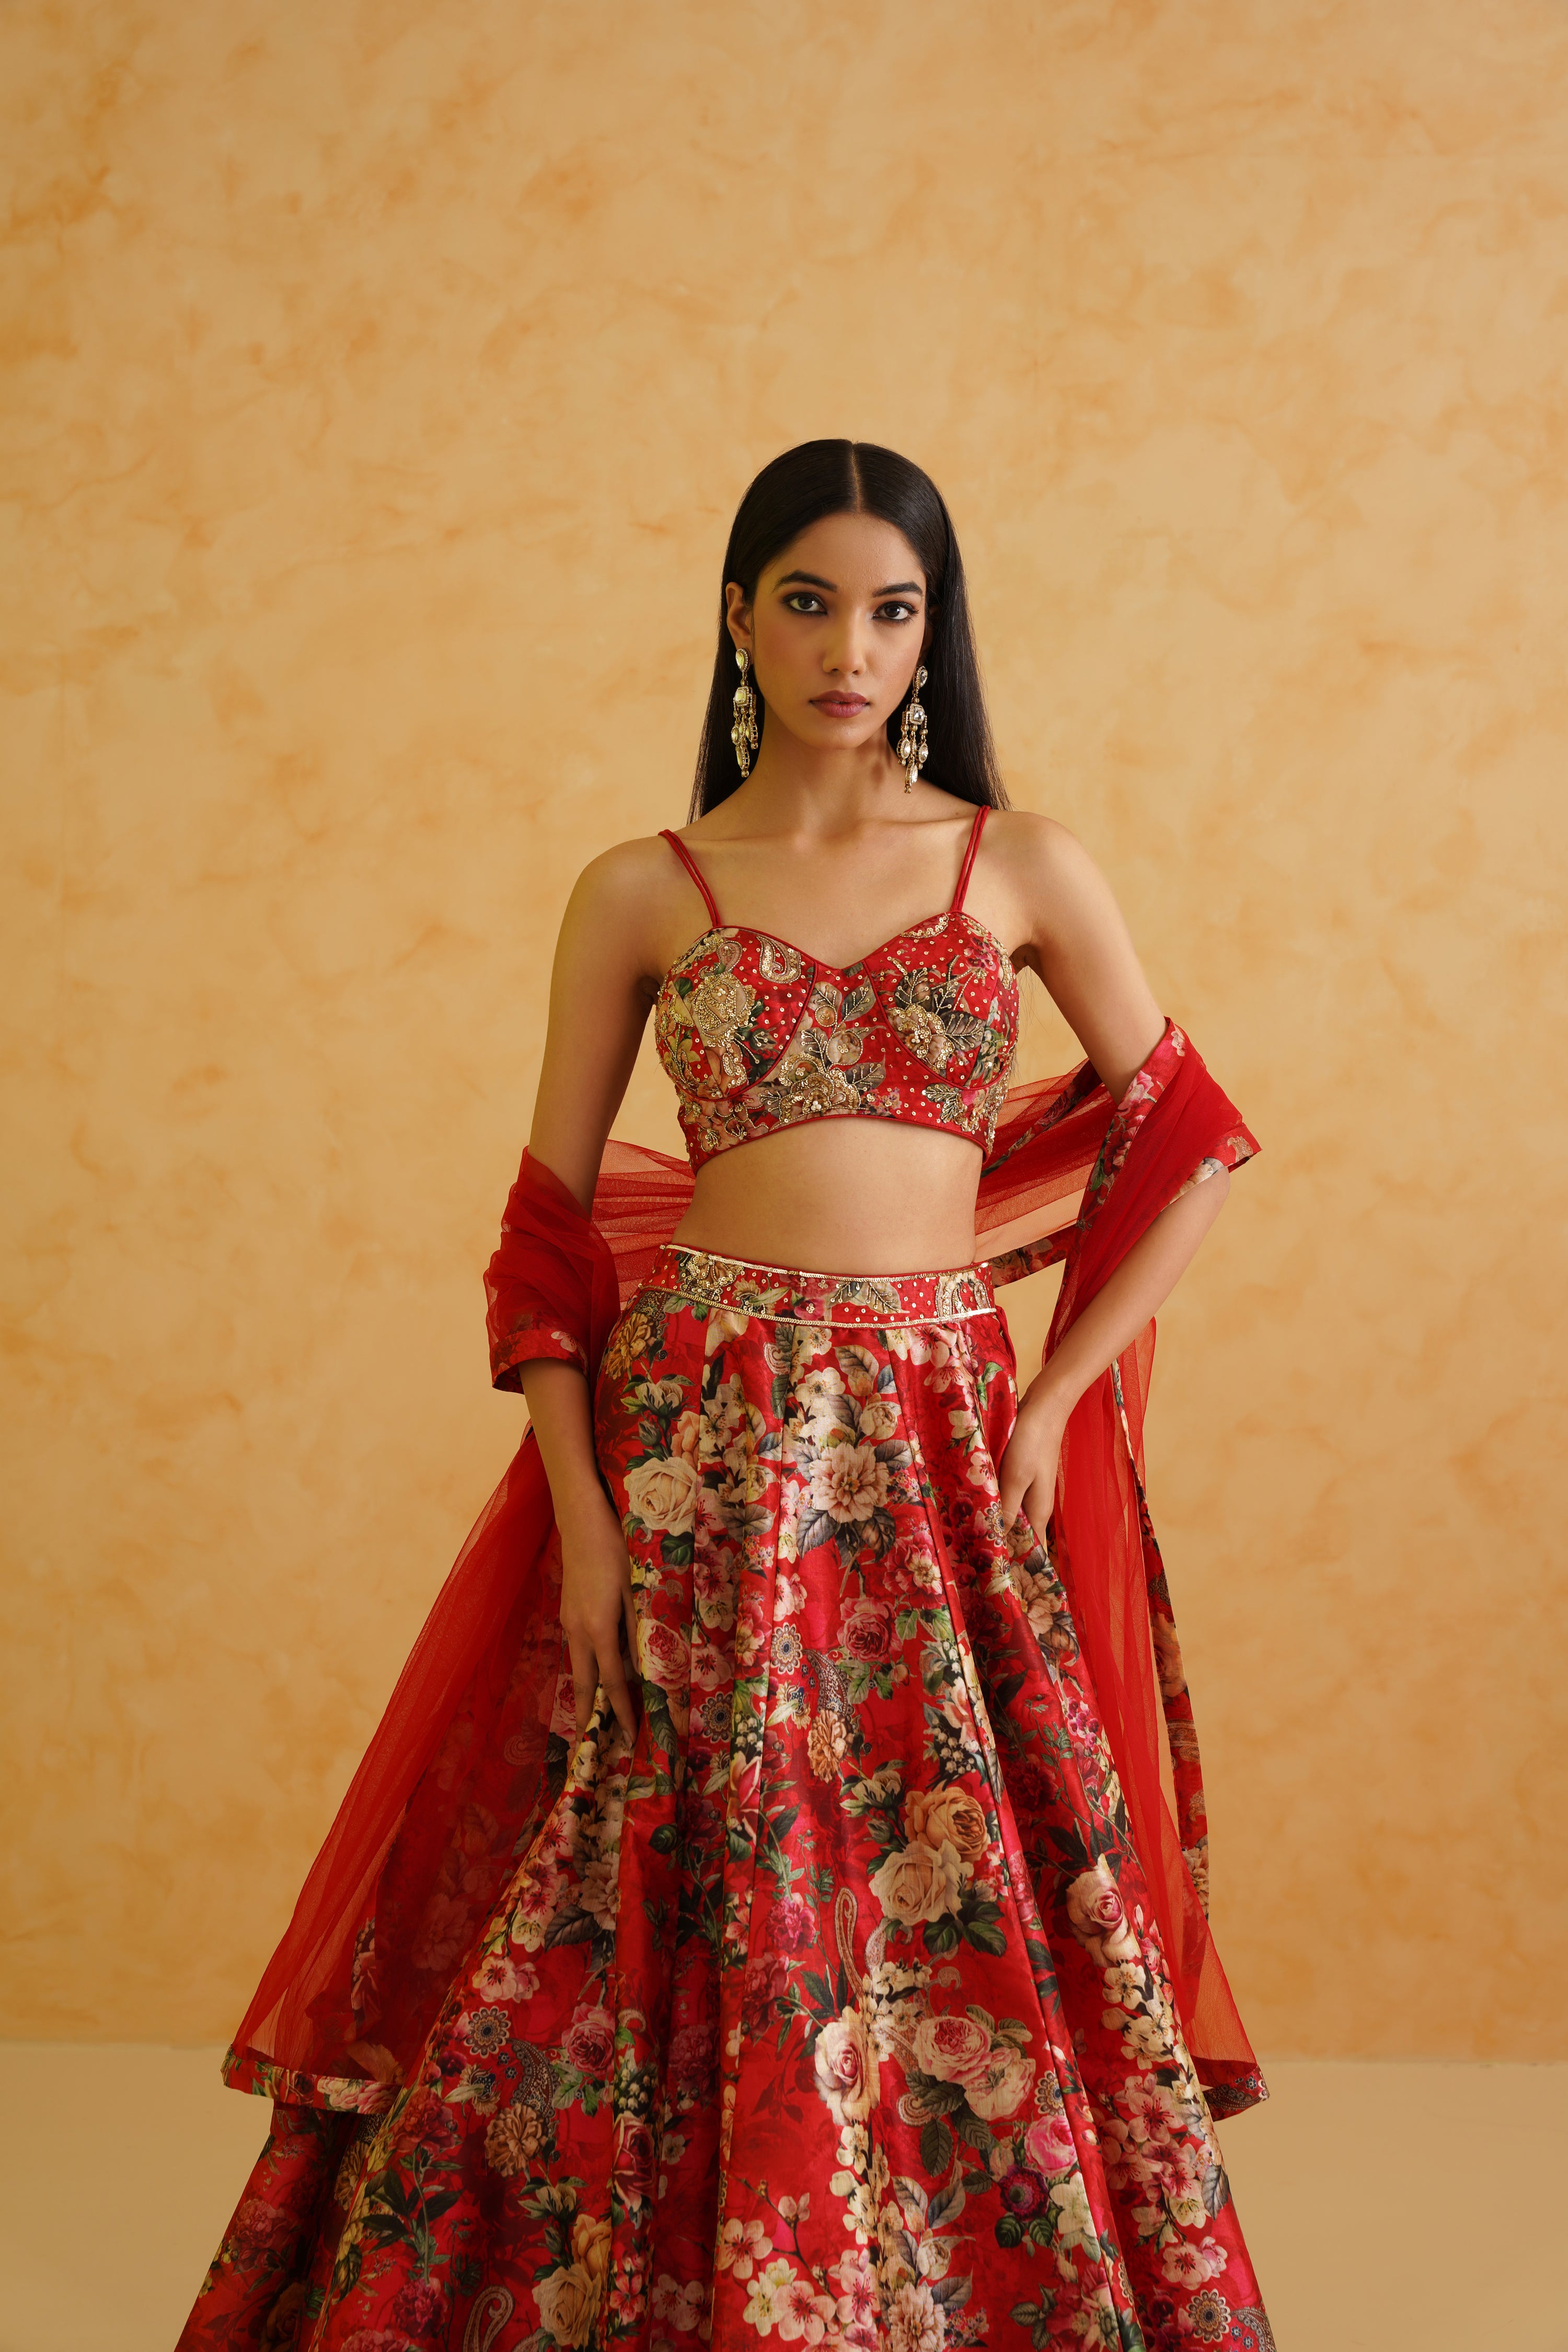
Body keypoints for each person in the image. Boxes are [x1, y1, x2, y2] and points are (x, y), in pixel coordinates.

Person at [180, 441, 1275, 2352]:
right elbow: (545, 1238)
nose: (850, 646)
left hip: (942, 1442)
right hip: (700, 1444)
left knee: (961, 1865)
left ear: (934, 630)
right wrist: (586, 1512)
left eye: (893, 607)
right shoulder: (642, 888)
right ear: (741, 615)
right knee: (679, 1852)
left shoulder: (1017, 863)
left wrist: (1047, 1405)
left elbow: (1185, 1139)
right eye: (809, 599)